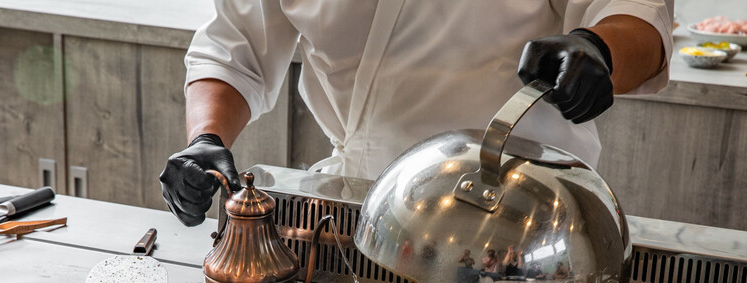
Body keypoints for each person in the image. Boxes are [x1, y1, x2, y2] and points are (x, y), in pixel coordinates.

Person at [160, 1, 673, 227]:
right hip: (352, 208)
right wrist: (206, 138)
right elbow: (235, 47)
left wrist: (598, 49)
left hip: (520, 215)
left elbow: (639, 16)